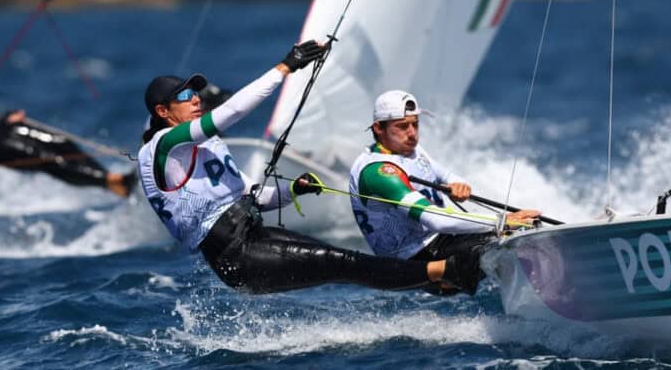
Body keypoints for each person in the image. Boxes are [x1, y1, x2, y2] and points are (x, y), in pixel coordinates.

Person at [138, 40, 480, 295]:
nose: (196, 99)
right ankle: (447, 271)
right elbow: (231, 112)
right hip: (236, 257)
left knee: (342, 260)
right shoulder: (166, 146)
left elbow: (256, 197)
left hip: (252, 238)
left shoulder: (202, 148)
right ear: (163, 112)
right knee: (342, 264)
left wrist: (293, 190)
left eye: (196, 94)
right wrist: (286, 67)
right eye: (185, 97)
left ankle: (442, 278)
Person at [349, 90, 541, 295]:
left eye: (415, 124)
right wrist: (502, 220)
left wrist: (457, 184)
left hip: (440, 240)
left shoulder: (408, 149)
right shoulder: (378, 173)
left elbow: (445, 174)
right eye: (403, 126)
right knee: (510, 238)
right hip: (416, 260)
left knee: (524, 233)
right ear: (379, 128)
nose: (412, 133)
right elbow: (435, 219)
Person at [0, 109, 135, 197]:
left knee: (60, 141)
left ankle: (113, 181)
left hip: (3, 126)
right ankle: (113, 181)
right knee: (49, 159)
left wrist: (6, 117)